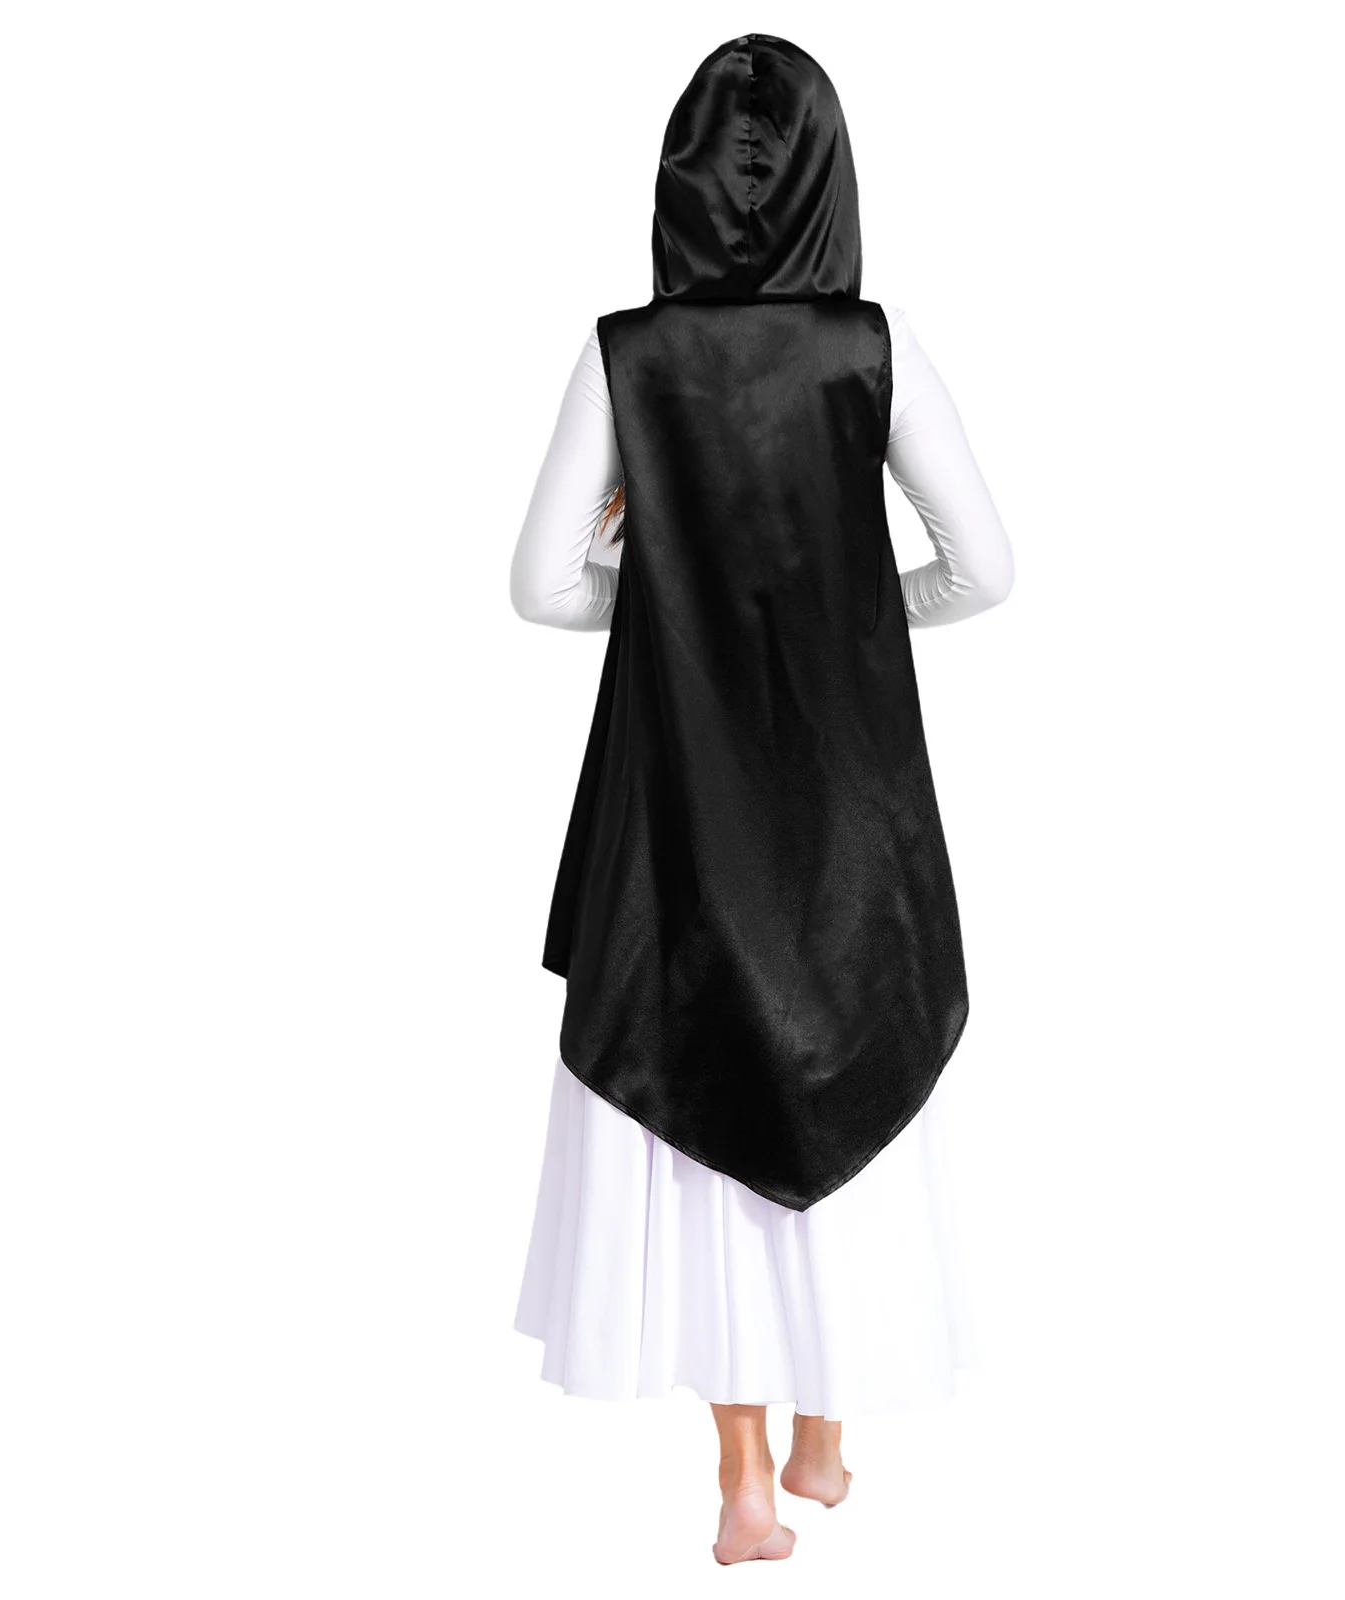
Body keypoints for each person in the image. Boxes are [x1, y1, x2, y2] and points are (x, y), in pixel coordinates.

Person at [509, 34, 1013, 1564]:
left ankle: (738, 1481)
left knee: (702, 1087)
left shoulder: (625, 354)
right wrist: (858, 612)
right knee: (852, 1057)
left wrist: (659, 594)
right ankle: (823, 1447)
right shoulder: (874, 345)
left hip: (678, 791)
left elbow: (541, 585)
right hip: (850, 796)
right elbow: (986, 570)